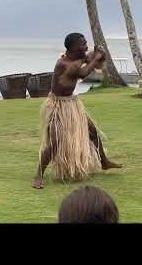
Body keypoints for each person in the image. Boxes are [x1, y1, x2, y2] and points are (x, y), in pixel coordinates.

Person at [32, 33, 122, 189]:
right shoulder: (63, 63)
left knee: (92, 131)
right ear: (73, 47)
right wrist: (95, 58)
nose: (86, 46)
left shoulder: (77, 58)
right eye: (83, 44)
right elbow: (83, 72)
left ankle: (104, 162)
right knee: (55, 141)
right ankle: (38, 175)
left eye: (86, 43)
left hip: (72, 104)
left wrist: (100, 55)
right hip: (58, 105)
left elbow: (97, 64)